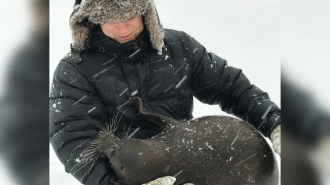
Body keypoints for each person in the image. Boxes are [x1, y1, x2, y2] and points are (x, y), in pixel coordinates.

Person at [49, 0, 281, 184]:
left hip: (188, 165)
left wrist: (274, 123)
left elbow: (230, 87)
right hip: (125, 173)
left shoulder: (178, 47)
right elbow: (73, 138)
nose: (122, 28)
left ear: (145, 11)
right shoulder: (74, 70)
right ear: (92, 18)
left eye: (129, 16)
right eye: (110, 19)